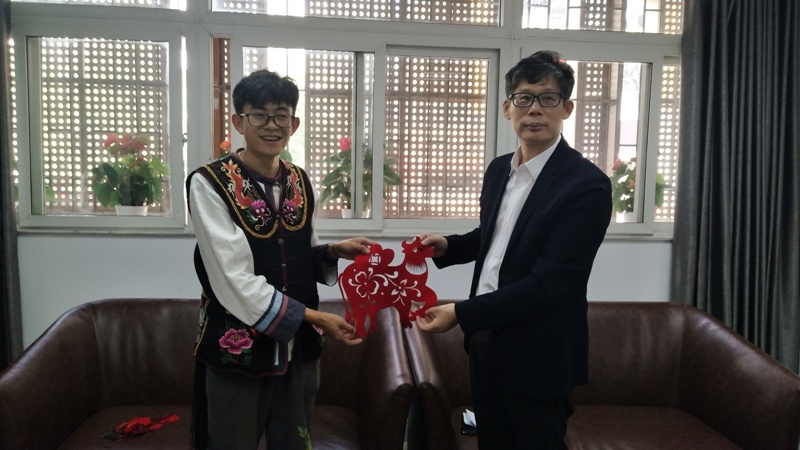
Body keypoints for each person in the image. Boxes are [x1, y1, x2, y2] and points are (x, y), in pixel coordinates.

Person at [415, 50, 612, 450]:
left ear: (567, 108)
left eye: (548, 98)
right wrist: (449, 247)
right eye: (524, 98)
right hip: (486, 343)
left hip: (540, 354)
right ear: (508, 108)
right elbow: (498, 237)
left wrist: (461, 314)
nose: (534, 109)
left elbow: (550, 284)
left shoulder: (586, 185)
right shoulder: (498, 170)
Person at [186, 69, 373, 450]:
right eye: (259, 115)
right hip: (237, 352)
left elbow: (300, 251)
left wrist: (333, 251)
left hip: (297, 349)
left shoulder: (299, 180)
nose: (271, 126)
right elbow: (232, 276)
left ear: (294, 124)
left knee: (295, 441)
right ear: (239, 121)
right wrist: (316, 317)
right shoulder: (210, 184)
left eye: (281, 116)